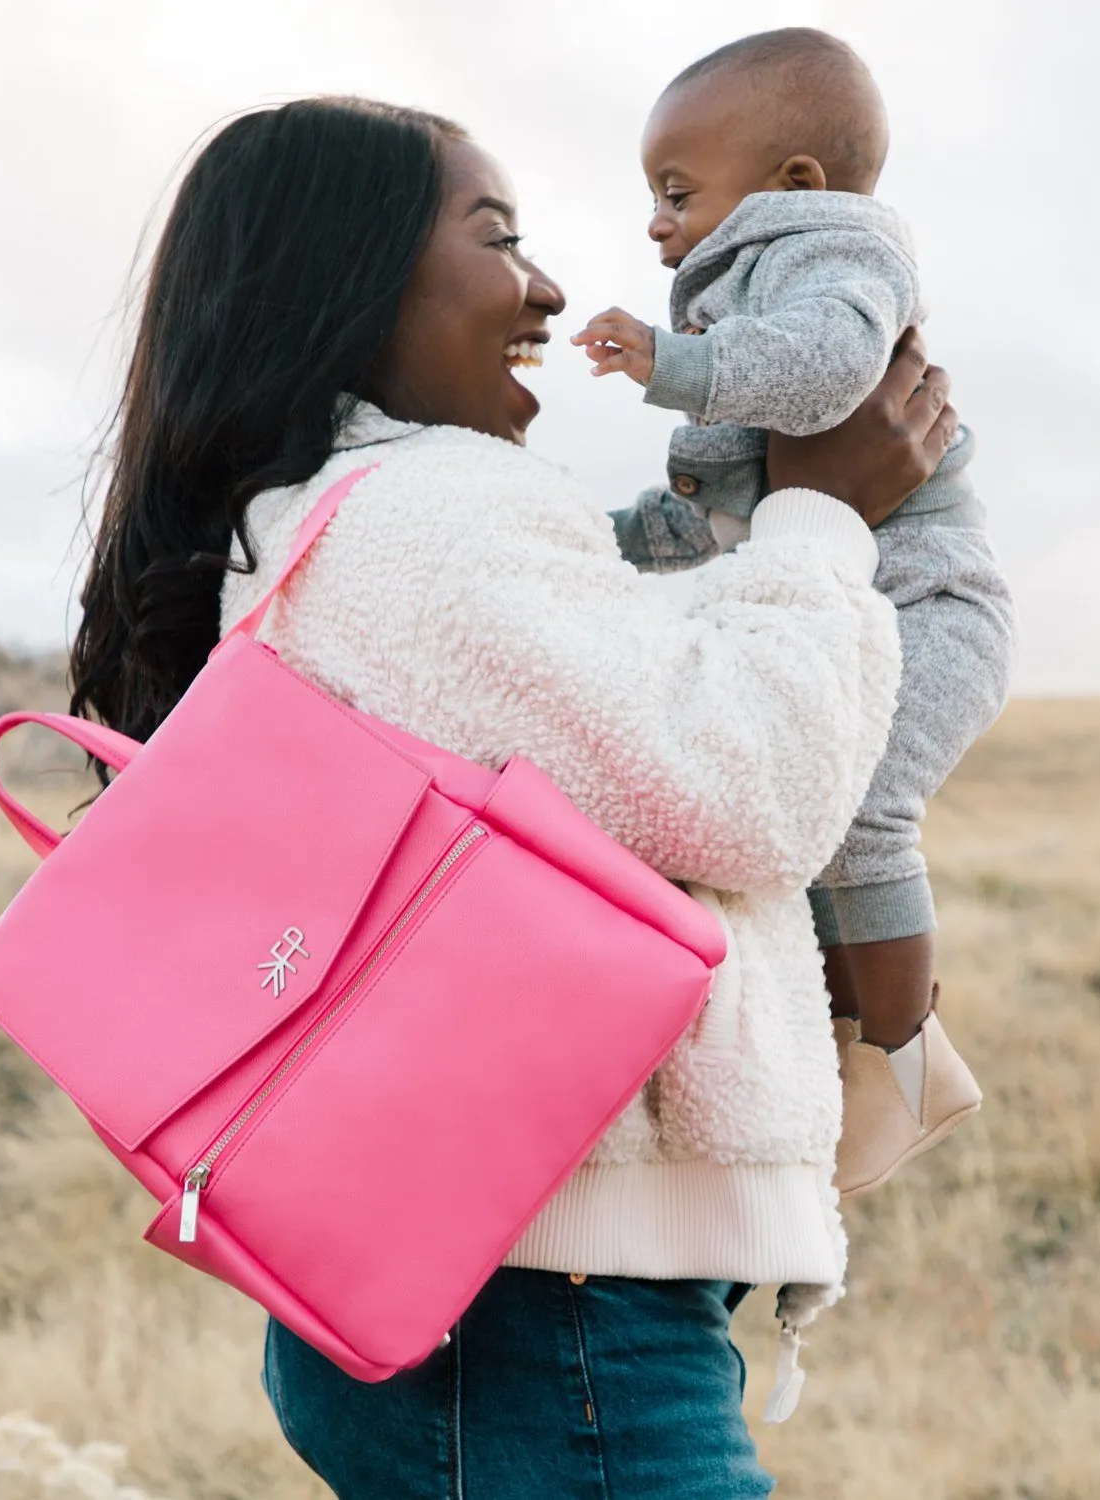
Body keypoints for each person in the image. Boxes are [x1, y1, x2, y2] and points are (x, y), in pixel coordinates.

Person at [70, 96, 958, 1498]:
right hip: (553, 1305)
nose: (547, 285)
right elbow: (753, 789)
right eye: (498, 238)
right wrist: (822, 518)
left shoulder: (315, 520)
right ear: (351, 280)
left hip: (480, 1286)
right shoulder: (429, 515)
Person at [574, 28, 1015, 1198]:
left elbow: (824, 375)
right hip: (866, 590)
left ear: (794, 186)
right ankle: (857, 1047)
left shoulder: (834, 261)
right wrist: (601, 541)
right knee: (813, 817)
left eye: (677, 193)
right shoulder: (755, 284)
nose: (658, 225)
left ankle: (906, 1061)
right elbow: (736, 509)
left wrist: (670, 360)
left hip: (929, 602)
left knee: (861, 808)